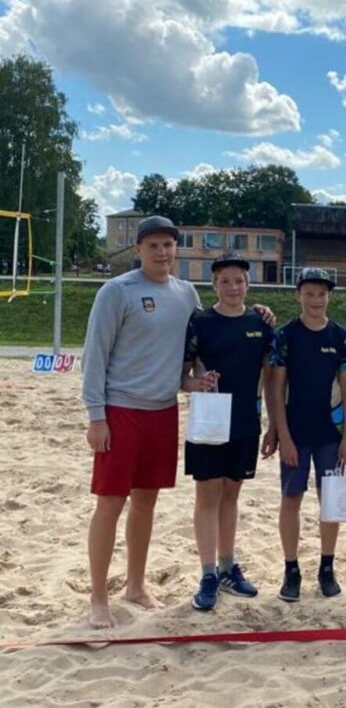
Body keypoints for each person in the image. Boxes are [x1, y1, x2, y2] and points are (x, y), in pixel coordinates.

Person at [82, 215, 201, 629]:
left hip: (163, 410)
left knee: (146, 502)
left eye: (168, 245)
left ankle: (135, 585)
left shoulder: (186, 293)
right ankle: (98, 597)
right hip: (120, 409)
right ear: (138, 250)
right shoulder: (117, 291)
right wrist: (96, 416)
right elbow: (95, 355)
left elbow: (199, 344)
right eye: (153, 246)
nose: (162, 252)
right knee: (110, 502)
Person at [181, 251, 274, 611]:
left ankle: (227, 567)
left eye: (239, 281)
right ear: (214, 285)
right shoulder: (200, 322)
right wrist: (198, 383)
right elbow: (182, 378)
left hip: (246, 422)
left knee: (231, 496)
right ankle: (207, 573)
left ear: (248, 284)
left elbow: (271, 377)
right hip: (209, 420)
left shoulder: (261, 322)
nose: (233, 287)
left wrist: (273, 426)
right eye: (225, 281)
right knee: (207, 496)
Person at [265, 267, 346, 602]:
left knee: (330, 500)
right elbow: (277, 389)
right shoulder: (286, 335)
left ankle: (327, 567)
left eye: (322, 294)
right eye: (309, 293)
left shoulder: (340, 336)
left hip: (331, 433)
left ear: (329, 296)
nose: (316, 300)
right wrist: (282, 435)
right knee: (291, 499)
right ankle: (291, 569)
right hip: (296, 432)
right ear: (298, 295)